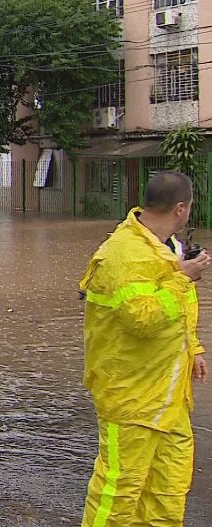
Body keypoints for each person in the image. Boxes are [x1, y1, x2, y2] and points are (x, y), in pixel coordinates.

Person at [79, 170, 210, 527]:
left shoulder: (168, 248)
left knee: (168, 490)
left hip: (170, 397)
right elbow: (142, 317)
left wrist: (194, 348)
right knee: (118, 493)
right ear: (180, 209)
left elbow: (175, 314)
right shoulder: (122, 254)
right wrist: (184, 278)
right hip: (131, 399)